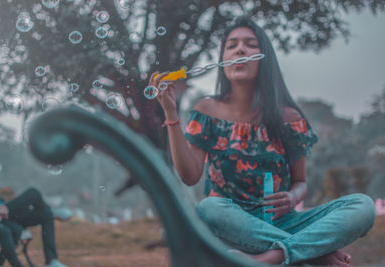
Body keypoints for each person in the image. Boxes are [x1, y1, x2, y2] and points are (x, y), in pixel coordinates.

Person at [150, 16, 376, 266]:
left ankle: (270, 258)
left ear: (264, 58)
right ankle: (316, 255)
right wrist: (171, 114)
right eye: (232, 45)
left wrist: (292, 198)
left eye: (250, 44)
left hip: (282, 221)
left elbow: (300, 182)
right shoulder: (207, 110)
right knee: (209, 207)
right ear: (223, 59)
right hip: (230, 222)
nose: (240, 50)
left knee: (362, 206)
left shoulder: (288, 118)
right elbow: (189, 176)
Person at [0, 182, 68, 267]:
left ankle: (51, 261)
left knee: (46, 215)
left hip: (6, 211)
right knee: (33, 193)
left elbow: (2, 195)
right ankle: (51, 210)